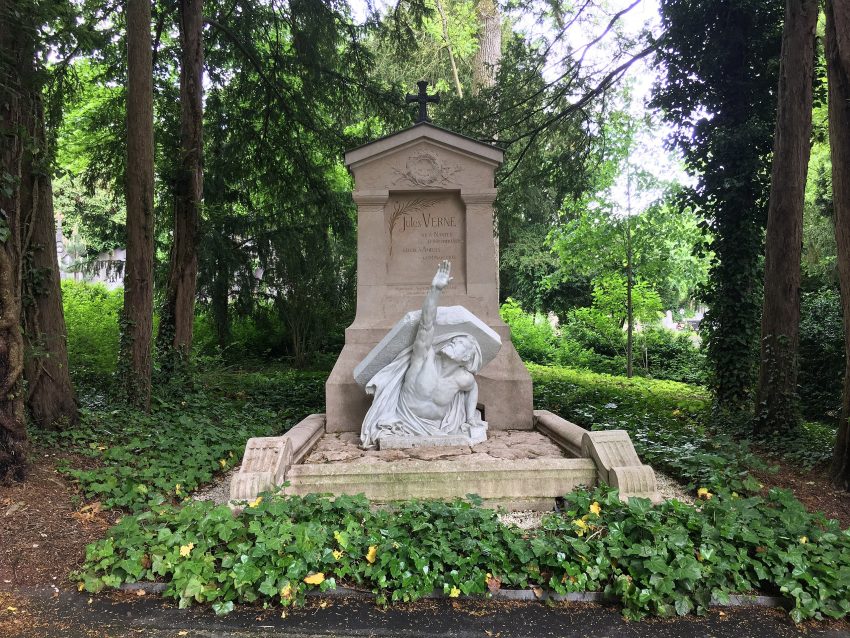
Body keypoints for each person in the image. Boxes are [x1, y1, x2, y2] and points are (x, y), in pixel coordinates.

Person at [360, 260, 487, 448]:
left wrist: (470, 418)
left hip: (436, 427)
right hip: (404, 421)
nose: (453, 342)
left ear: (467, 357)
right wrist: (435, 290)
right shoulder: (424, 358)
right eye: (454, 340)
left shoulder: (463, 379)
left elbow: (472, 389)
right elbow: (427, 325)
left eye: (460, 343)